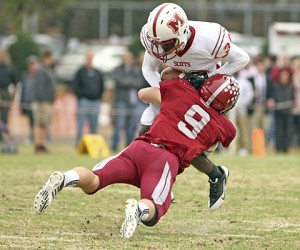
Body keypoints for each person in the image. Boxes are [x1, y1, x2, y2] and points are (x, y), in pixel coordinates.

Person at [34, 68, 238, 239]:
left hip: (139, 147)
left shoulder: (180, 90)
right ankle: (139, 210)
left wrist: (175, 92)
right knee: (155, 210)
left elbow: (144, 93)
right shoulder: (223, 127)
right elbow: (211, 145)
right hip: (164, 160)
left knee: (95, 181)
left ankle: (65, 178)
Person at [139, 2, 250, 209]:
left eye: (165, 44)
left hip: (204, 95)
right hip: (176, 89)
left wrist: (211, 78)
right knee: (143, 137)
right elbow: (148, 69)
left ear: (181, 33)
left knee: (187, 149)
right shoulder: (157, 39)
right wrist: (167, 93)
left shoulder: (208, 38)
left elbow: (242, 59)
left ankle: (216, 175)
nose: (159, 49)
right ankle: (158, 185)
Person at [72, 51, 105, 147]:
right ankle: (78, 144)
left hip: (95, 101)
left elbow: (102, 85)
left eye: (91, 57)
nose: (89, 59)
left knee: (94, 125)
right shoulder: (80, 72)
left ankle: (92, 145)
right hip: (84, 101)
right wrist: (80, 96)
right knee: (81, 124)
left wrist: (98, 96)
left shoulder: (98, 72)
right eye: (88, 57)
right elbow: (75, 85)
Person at [111, 52, 141, 151]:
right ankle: (114, 146)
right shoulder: (118, 70)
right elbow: (120, 81)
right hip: (121, 101)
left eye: (129, 58)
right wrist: (131, 82)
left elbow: (139, 82)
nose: (128, 60)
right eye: (126, 58)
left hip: (132, 102)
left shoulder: (135, 70)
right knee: (119, 125)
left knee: (131, 126)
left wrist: (129, 81)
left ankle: (128, 147)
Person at [31, 50, 56, 153]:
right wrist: (41, 101)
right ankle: (38, 145)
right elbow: (39, 87)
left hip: (47, 102)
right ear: (47, 58)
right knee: (39, 123)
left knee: (44, 124)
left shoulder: (48, 70)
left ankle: (42, 144)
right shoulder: (41, 70)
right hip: (42, 102)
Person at [20, 55, 39, 144]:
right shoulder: (25, 75)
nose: (32, 66)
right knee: (30, 121)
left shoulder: (39, 76)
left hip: (36, 102)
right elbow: (23, 89)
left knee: (38, 121)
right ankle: (31, 137)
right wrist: (21, 102)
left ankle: (39, 138)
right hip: (27, 101)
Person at [0, 49, 18, 140]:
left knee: (4, 115)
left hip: (5, 92)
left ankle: (3, 135)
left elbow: (15, 83)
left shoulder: (10, 68)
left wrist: (13, 96)